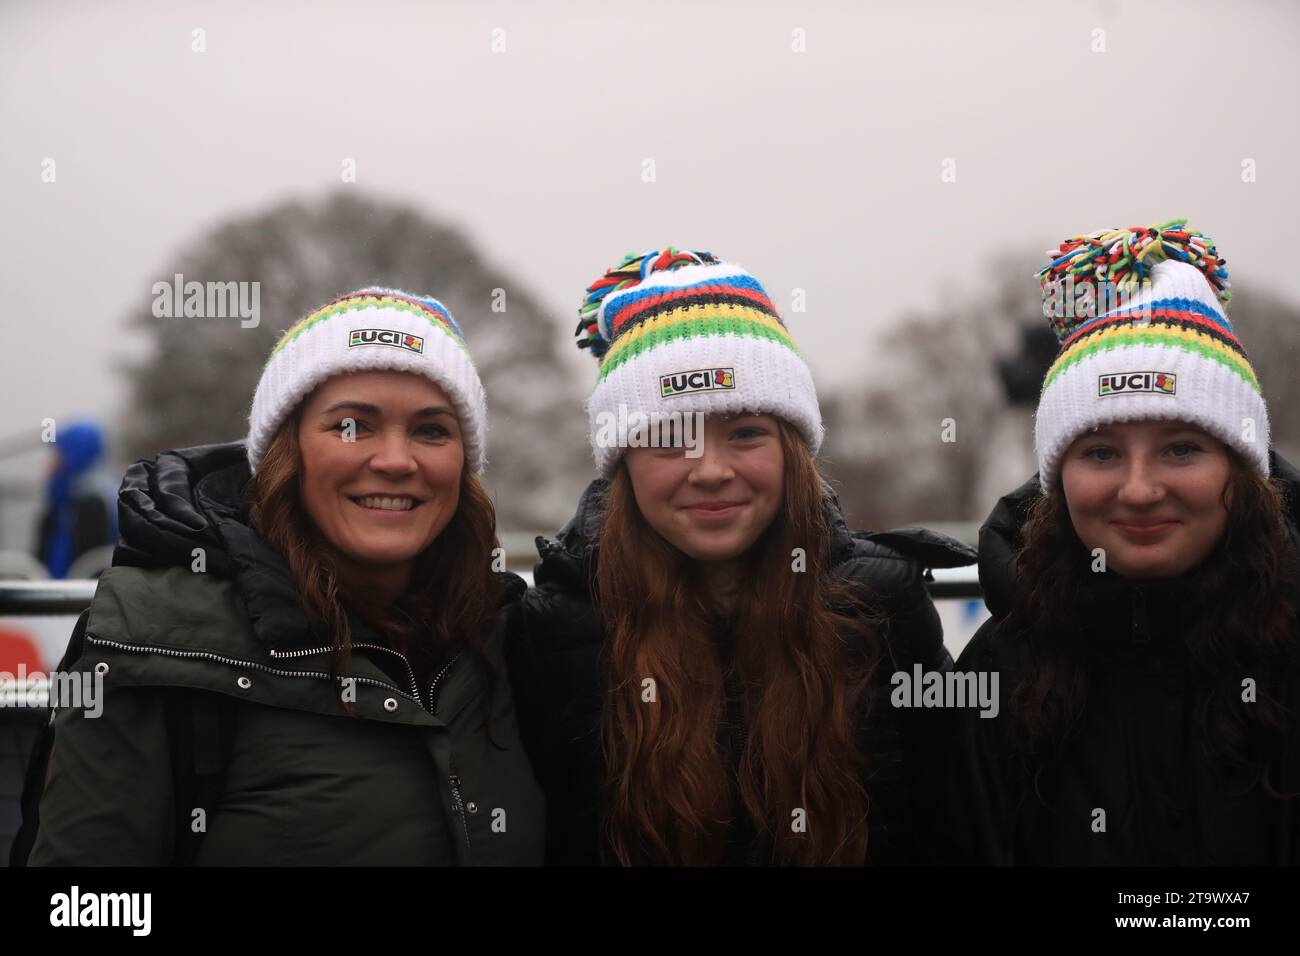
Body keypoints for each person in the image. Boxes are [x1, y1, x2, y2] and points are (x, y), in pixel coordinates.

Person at [23, 288, 544, 865]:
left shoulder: (508, 640)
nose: (397, 460)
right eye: (351, 426)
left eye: (432, 431)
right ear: (284, 451)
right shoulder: (147, 641)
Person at [508, 248, 975, 866]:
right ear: (622, 465)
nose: (712, 471)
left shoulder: (883, 602)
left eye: (746, 433)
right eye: (671, 438)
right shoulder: (557, 627)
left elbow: (953, 826)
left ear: (792, 451)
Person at [945, 220, 1300, 865]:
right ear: (1058, 479)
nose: (1139, 490)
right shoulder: (995, 679)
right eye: (1102, 452)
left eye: (1181, 448)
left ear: (1242, 471)